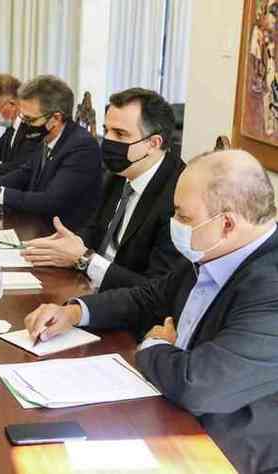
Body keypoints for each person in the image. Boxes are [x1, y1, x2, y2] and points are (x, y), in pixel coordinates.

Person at [24, 150, 278, 474]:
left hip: (223, 445)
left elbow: (199, 385)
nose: (175, 226)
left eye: (183, 217)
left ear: (226, 224)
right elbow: (148, 297)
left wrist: (154, 344)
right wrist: (75, 312)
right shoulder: (214, 249)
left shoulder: (270, 286)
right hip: (168, 402)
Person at [22, 88, 184, 291]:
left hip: (130, 308)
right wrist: (67, 245)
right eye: (106, 130)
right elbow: (94, 227)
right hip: (88, 287)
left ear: (153, 143)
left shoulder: (178, 196)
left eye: (120, 133)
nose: (107, 140)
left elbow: (157, 289)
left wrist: (84, 259)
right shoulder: (119, 172)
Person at [0, 75, 102, 232]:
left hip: (63, 236)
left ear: (56, 118)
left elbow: (51, 200)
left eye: (30, 120)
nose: (24, 124)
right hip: (35, 225)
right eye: (23, 117)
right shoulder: (47, 136)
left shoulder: (81, 147)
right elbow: (26, 172)